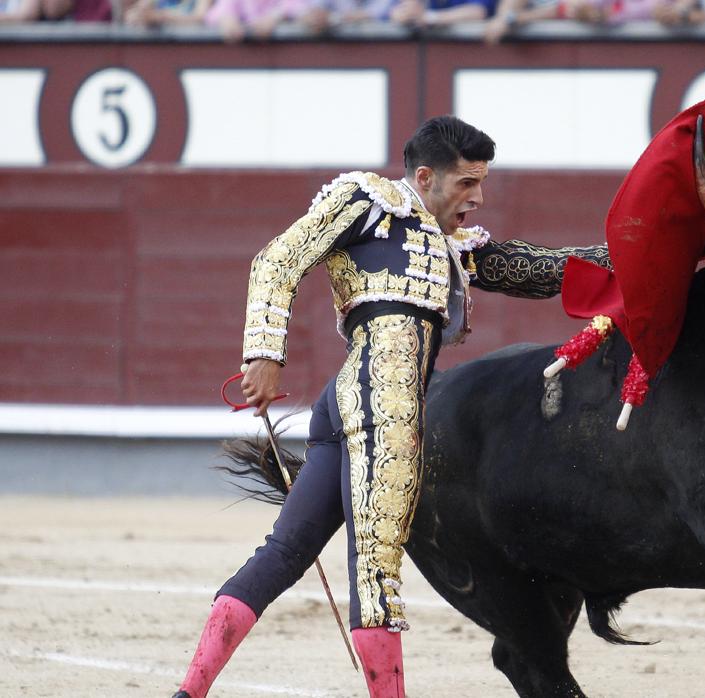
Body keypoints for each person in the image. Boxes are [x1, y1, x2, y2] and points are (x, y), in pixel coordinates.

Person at [171, 115, 610, 698]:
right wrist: (263, 353)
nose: (477, 198)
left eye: (482, 184)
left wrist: (630, 248)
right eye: (465, 184)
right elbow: (278, 260)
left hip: (349, 400)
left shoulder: (455, 246)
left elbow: (543, 271)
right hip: (385, 402)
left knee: (286, 551)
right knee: (374, 575)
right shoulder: (368, 202)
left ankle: (187, 693)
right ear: (425, 177)